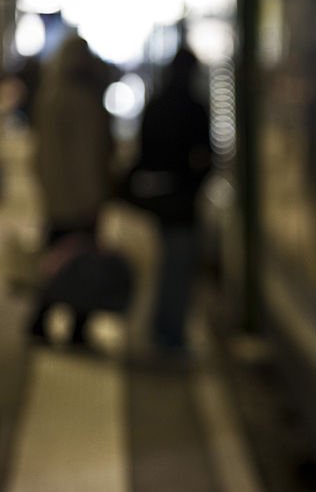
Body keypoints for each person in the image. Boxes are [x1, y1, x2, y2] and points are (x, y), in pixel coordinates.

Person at [29, 34, 115, 342]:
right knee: (82, 266)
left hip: (57, 199)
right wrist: (93, 197)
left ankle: (42, 321)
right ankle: (76, 326)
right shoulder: (81, 99)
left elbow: (41, 154)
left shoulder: (50, 95)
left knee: (54, 264)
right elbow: (84, 155)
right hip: (79, 200)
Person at [127, 47, 211, 357]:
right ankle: (170, 333)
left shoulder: (158, 104)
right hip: (183, 203)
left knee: (164, 265)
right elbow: (205, 157)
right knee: (179, 268)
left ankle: (159, 327)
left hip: (155, 200)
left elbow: (142, 149)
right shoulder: (195, 108)